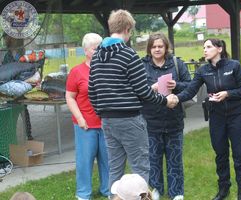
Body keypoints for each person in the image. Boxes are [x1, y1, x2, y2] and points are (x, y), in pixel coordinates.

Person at [88, 9, 176, 194]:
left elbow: (93, 92)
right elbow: (144, 92)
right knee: (140, 168)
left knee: (115, 169)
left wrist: (104, 112)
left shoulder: (95, 57)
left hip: (108, 121)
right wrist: (165, 101)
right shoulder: (129, 55)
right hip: (130, 120)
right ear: (128, 28)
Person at [174, 38, 241, 200]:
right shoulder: (203, 71)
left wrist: (227, 94)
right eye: (204, 47)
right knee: (220, 154)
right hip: (217, 118)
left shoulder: (234, 66)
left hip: (236, 116)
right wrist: (175, 98)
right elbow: (190, 91)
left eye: (208, 47)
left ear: (219, 49)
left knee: (239, 154)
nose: (205, 50)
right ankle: (224, 189)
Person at [141, 32, 191, 200]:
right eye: (154, 46)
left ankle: (176, 193)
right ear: (149, 48)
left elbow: (190, 86)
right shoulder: (142, 65)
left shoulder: (177, 64)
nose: (157, 49)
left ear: (166, 47)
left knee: (175, 159)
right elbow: (137, 91)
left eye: (160, 46)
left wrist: (176, 85)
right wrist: (153, 88)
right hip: (150, 122)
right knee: (153, 160)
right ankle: (155, 192)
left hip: (174, 121)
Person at [66, 33, 110, 200]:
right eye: (95, 48)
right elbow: (69, 97)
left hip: (106, 123)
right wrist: (80, 118)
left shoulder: (108, 69)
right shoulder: (77, 71)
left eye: (101, 47)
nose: (99, 51)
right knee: (85, 161)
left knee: (108, 160)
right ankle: (83, 194)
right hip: (85, 124)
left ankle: (108, 190)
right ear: (85, 50)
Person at [1, 32, 33, 140]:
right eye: (5, 38)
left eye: (6, 38)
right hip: (10, 88)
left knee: (23, 111)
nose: (5, 40)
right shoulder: (7, 55)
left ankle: (29, 135)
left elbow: (22, 67)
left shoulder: (20, 52)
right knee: (12, 114)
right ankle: (11, 135)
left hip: (19, 86)